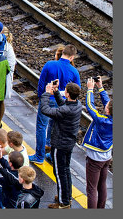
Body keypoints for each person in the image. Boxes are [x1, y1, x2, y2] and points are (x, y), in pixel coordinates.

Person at [38, 79, 82, 209]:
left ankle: (63, 203)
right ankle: (66, 196)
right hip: (68, 143)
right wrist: (56, 92)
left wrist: (46, 93)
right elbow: (63, 105)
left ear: (67, 94)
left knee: (59, 172)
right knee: (65, 170)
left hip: (60, 144)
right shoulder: (77, 104)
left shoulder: (66, 110)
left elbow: (46, 110)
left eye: (65, 92)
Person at [82, 76, 111, 209]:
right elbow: (109, 104)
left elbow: (89, 106)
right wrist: (100, 87)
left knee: (91, 189)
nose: (106, 105)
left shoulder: (101, 120)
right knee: (102, 186)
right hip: (106, 157)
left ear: (108, 111)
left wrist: (90, 89)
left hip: (95, 159)